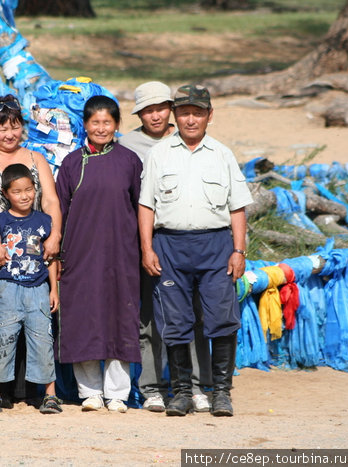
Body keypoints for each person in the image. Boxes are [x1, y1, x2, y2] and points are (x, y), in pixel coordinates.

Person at [138, 84, 253, 417]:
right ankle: (182, 392)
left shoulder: (222, 154)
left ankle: (220, 392)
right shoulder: (159, 154)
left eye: (197, 113)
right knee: (174, 320)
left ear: (209, 115)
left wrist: (239, 250)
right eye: (185, 112)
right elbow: (146, 205)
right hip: (170, 246)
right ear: (176, 115)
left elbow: (237, 208)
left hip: (216, 246)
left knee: (222, 318)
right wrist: (147, 248)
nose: (190, 120)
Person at [0, 94, 62, 402]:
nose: (9, 134)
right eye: (2, 127)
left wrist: (55, 235)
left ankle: (29, 389)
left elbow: (51, 200)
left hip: (32, 252)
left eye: (15, 126)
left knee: (35, 318)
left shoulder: (35, 158)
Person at [121, 81, 212, 413]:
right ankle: (151, 387)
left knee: (191, 315)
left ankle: (195, 385)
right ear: (139, 114)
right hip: (143, 241)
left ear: (171, 109)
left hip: (185, 242)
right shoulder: (127, 144)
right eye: (147, 110)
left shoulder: (188, 140)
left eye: (160, 108)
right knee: (149, 317)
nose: (155, 115)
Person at [55, 95, 142, 412]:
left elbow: (140, 207)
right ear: (85, 125)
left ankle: (117, 393)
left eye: (107, 122)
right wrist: (58, 251)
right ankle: (89, 391)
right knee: (85, 319)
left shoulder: (129, 161)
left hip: (121, 255)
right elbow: (59, 210)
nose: (101, 128)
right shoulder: (72, 163)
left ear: (117, 125)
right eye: (95, 122)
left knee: (120, 318)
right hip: (80, 254)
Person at [0, 164, 62, 415]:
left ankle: (50, 396)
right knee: (2, 339)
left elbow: (52, 259)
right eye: (17, 191)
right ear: (5, 193)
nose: (24, 195)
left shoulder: (46, 222)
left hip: (38, 290)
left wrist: (53, 290)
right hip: (7, 290)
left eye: (29, 189)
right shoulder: (0, 222)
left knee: (43, 341)